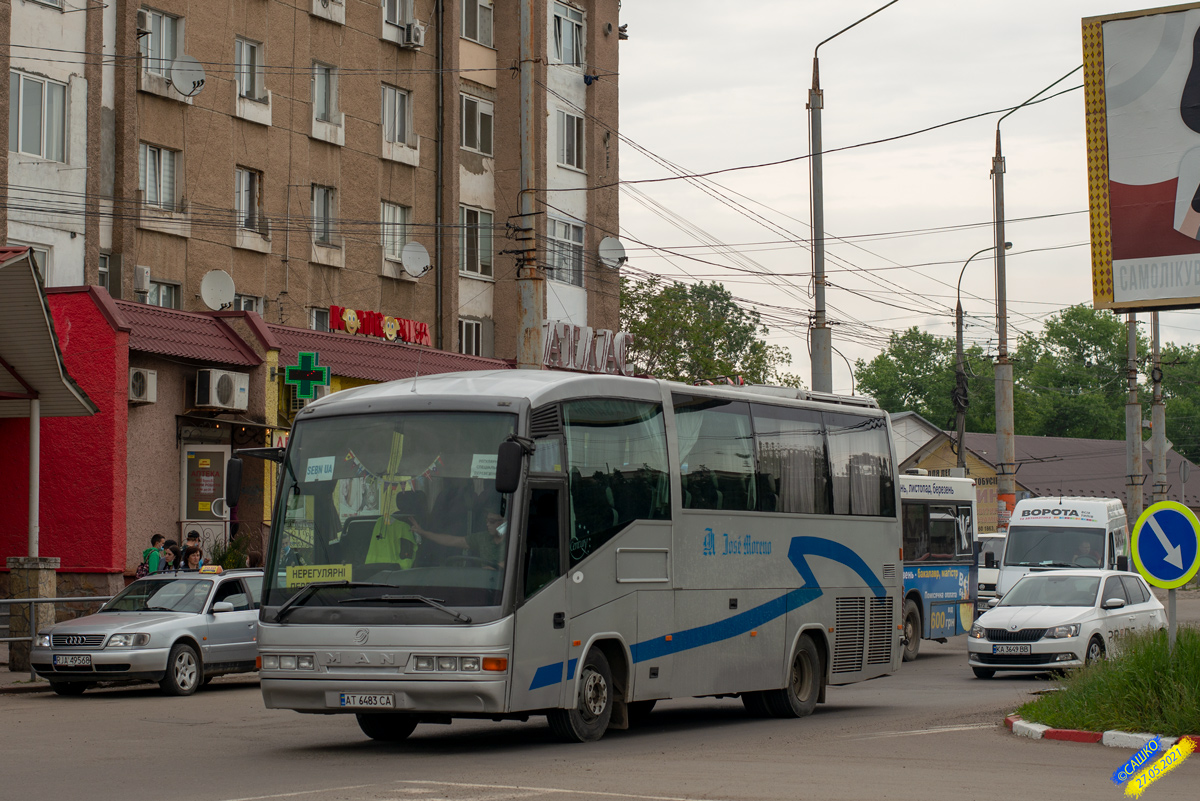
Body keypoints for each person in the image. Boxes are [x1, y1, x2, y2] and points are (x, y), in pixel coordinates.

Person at [409, 510, 508, 569]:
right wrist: (423, 532)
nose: (487, 524)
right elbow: (452, 540)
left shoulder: (514, 539)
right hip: (484, 583)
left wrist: (495, 568)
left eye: (492, 521)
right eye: (487, 521)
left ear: (504, 521)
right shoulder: (482, 537)